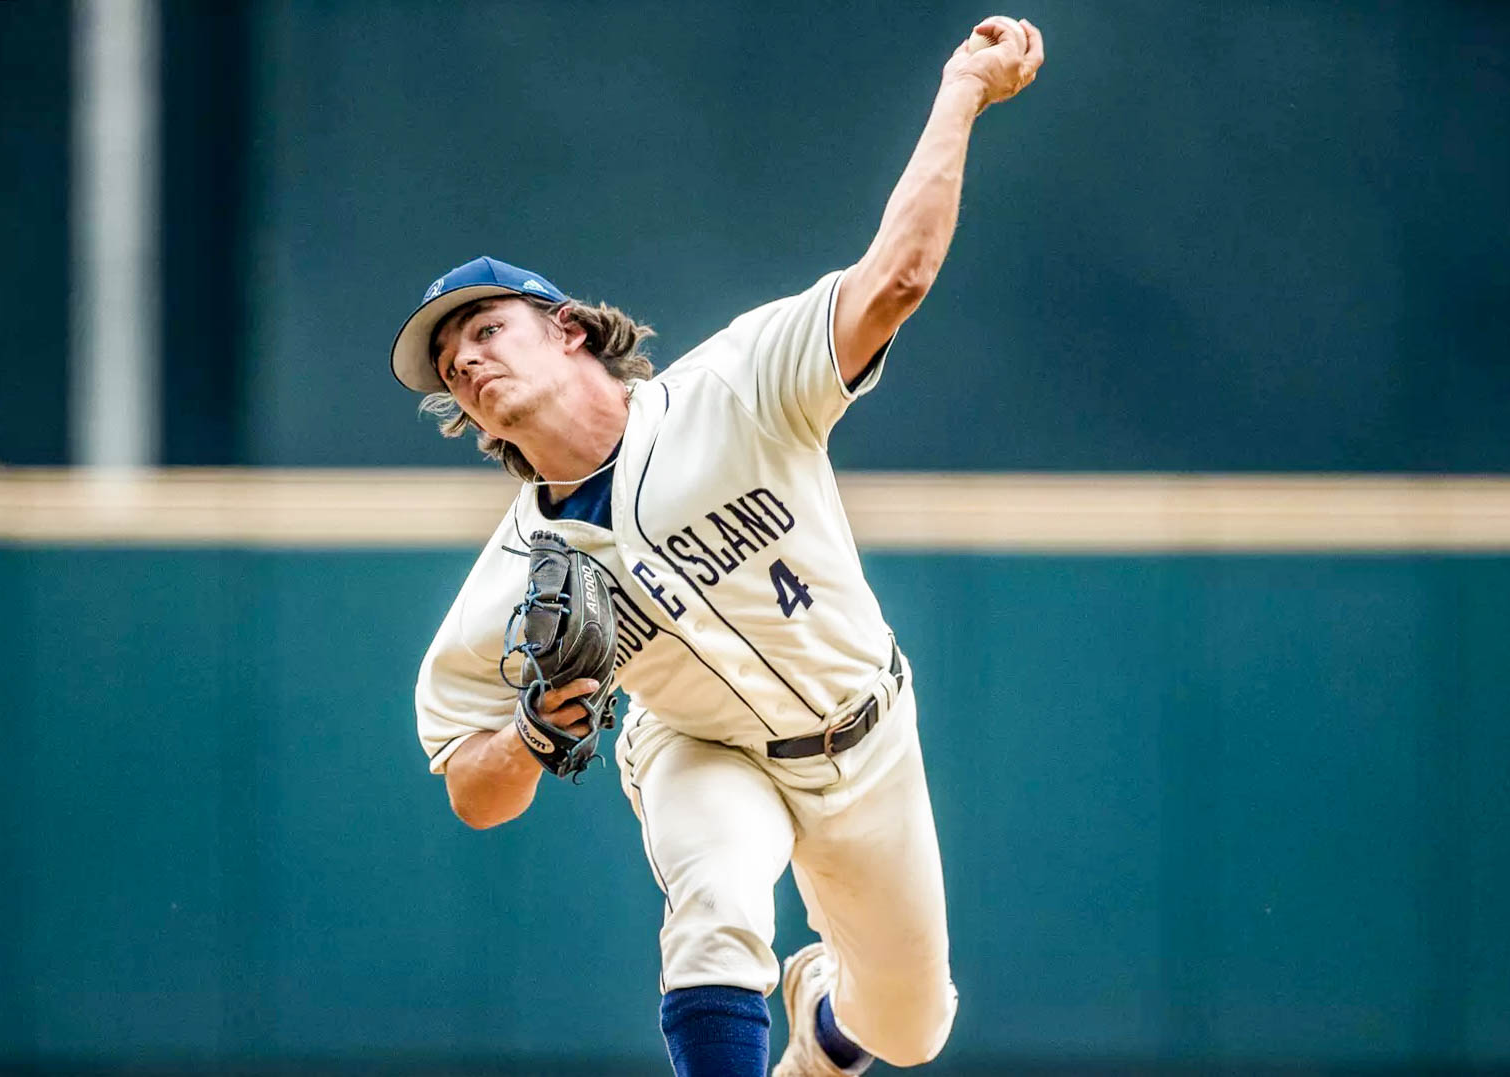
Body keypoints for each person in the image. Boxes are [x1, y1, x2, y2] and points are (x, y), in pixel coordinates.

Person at [391, 16, 1044, 1075]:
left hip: (862, 729)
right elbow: (472, 788)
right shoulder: (515, 568)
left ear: (565, 327)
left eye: (482, 330)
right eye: (447, 365)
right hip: (696, 748)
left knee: (911, 1030)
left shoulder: (734, 388)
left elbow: (897, 279)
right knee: (718, 900)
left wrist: (962, 91)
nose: (462, 362)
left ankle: (826, 1023)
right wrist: (530, 734)